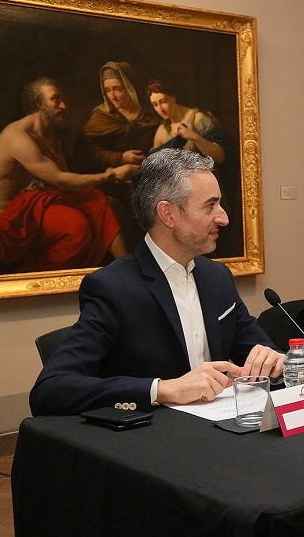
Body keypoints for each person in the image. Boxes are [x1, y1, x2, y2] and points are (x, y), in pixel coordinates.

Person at [29, 148, 283, 416]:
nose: (224, 217)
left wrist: (275, 361)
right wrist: (161, 390)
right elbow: (50, 390)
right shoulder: (112, 287)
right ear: (168, 214)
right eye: (210, 205)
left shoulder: (217, 277)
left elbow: (260, 353)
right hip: (153, 434)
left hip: (225, 427)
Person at [0, 77, 135, 273]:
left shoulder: (50, 135)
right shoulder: (18, 137)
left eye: (62, 100)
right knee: (76, 226)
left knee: (95, 198)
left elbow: (63, 180)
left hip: (35, 206)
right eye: (55, 99)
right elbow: (60, 179)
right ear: (39, 104)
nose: (63, 105)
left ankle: (126, 267)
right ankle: (40, 277)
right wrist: (109, 175)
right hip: (12, 222)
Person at [78, 61, 161, 244]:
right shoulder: (100, 117)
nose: (113, 96)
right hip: (113, 183)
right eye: (108, 90)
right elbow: (87, 154)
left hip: (149, 178)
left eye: (118, 89)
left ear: (130, 88)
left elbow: (166, 149)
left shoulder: (151, 114)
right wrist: (120, 157)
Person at [147, 77, 226, 163]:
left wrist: (194, 137)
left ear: (173, 97)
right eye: (155, 105)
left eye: (163, 101)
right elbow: (155, 165)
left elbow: (219, 156)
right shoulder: (162, 131)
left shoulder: (197, 119)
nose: (160, 109)